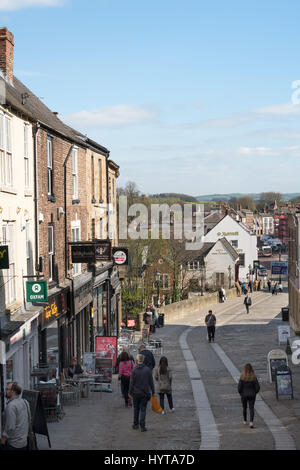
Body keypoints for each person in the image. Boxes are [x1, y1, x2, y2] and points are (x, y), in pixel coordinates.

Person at [128, 354, 155, 432]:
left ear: (137, 360)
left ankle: (135, 424)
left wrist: (129, 392)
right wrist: (153, 392)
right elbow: (151, 382)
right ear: (143, 360)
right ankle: (142, 426)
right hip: (144, 393)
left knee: (136, 409)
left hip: (135, 393)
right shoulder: (147, 370)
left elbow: (131, 383)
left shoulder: (134, 370)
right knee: (143, 409)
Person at [0, 382, 30, 450]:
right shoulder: (25, 402)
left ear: (13, 391)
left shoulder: (11, 406)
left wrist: (3, 440)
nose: (5, 391)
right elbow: (29, 420)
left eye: (7, 389)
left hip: (13, 444)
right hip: (24, 442)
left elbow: (10, 427)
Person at [238, 363, 260, 428]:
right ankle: (251, 422)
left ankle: (245, 420)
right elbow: (258, 387)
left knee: (244, 408)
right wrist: (254, 392)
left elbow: (239, 388)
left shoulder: (242, 377)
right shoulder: (254, 377)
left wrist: (241, 393)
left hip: (244, 395)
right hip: (252, 395)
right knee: (251, 408)